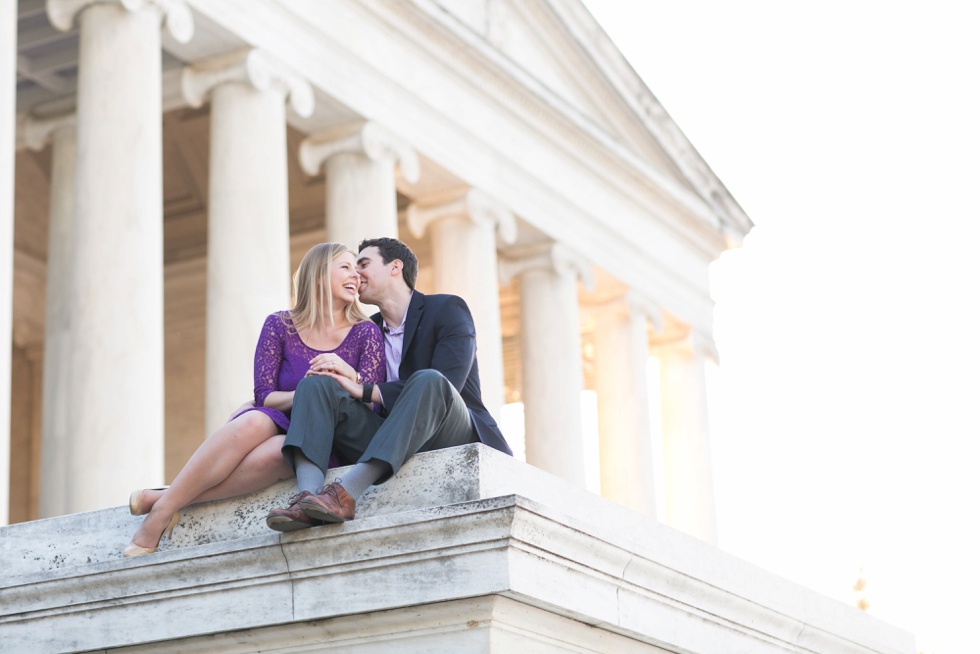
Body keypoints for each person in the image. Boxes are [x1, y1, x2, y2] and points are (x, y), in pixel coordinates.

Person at [124, 243, 385, 556]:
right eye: (345, 267)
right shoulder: (279, 325)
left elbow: (373, 402)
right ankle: (162, 514)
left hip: (326, 435)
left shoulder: (366, 332)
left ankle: (164, 501)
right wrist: (306, 390)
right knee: (252, 419)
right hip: (277, 417)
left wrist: (345, 380)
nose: (355, 275)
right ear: (318, 275)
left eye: (357, 269)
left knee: (279, 452)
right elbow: (264, 395)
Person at [265, 237, 512, 530]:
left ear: (395, 267)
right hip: (388, 434)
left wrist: (366, 389)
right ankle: (307, 498)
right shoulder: (365, 330)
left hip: (449, 430)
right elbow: (349, 394)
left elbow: (450, 383)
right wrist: (350, 378)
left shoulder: (447, 309)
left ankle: (345, 492)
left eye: (364, 264)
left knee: (430, 380)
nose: (356, 274)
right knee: (316, 384)